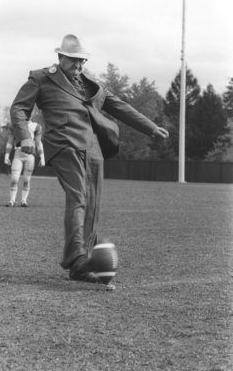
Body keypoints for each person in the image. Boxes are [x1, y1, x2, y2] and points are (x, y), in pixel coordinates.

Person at [10, 34, 169, 285]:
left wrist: (150, 128)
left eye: (81, 61)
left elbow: (119, 106)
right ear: (60, 57)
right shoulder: (41, 78)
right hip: (63, 144)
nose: (78, 65)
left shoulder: (92, 83)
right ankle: (78, 258)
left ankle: (80, 266)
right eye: (73, 60)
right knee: (79, 196)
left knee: (93, 204)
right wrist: (24, 137)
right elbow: (19, 108)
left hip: (93, 148)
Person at [4, 118, 45, 207]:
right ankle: (12, 200)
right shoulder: (14, 126)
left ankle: (24, 200)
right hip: (18, 154)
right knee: (14, 179)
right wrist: (6, 155)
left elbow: (38, 142)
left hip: (30, 155)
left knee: (26, 180)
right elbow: (10, 141)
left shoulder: (36, 126)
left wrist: (42, 157)